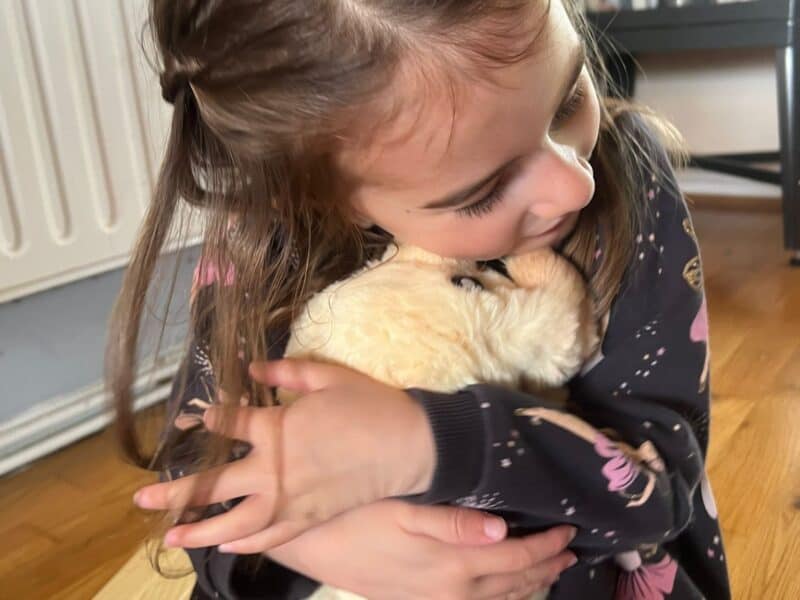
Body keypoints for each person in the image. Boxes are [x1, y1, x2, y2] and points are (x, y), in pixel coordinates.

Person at [108, 1, 731, 598]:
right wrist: (312, 548)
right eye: (485, 192)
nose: (575, 183)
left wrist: (439, 445)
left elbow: (663, 492)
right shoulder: (262, 246)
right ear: (320, 197)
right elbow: (199, 475)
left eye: (569, 98)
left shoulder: (630, 175)